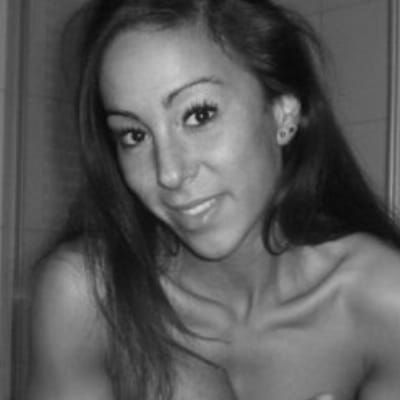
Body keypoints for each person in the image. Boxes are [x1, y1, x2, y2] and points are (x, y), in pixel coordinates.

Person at [27, 0, 400, 399]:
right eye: (134, 135)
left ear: (283, 114)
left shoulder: (382, 298)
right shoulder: (90, 298)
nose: (169, 173)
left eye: (199, 115)